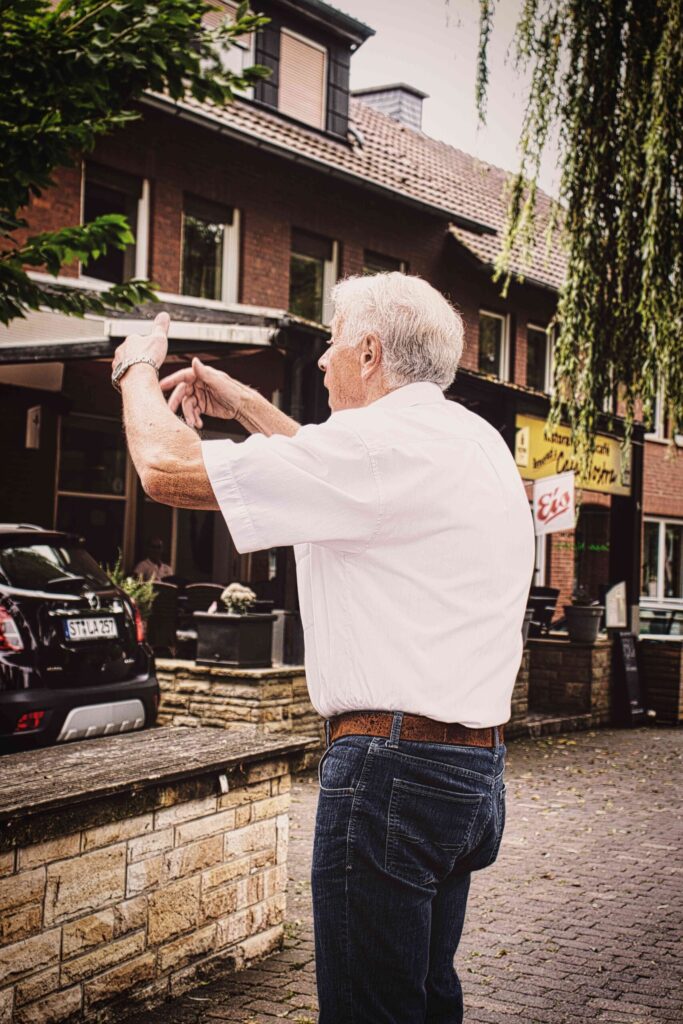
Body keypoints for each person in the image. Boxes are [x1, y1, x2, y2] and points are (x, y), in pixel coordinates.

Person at [112, 273, 535, 1024]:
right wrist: (241, 402)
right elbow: (327, 466)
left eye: (333, 340)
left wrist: (134, 368)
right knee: (423, 1000)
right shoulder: (471, 440)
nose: (319, 359)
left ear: (369, 352)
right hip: (469, 774)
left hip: (391, 774)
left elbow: (164, 469)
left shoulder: (375, 449)